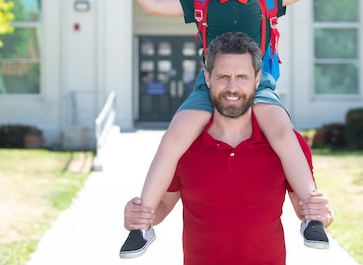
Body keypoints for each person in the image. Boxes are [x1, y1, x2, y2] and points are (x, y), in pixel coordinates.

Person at [109, 0, 335, 258]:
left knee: (283, 132)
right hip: (209, 84)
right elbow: (153, 5)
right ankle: (142, 225)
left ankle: (311, 216)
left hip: (257, 85)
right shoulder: (201, 1)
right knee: (174, 136)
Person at [123, 32, 334, 265]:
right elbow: (163, 205)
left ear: (257, 80)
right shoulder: (185, 145)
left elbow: (304, 208)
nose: (232, 87)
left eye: (242, 77)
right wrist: (139, 216)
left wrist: (323, 213)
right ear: (208, 78)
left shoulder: (285, 143)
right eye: (223, 76)